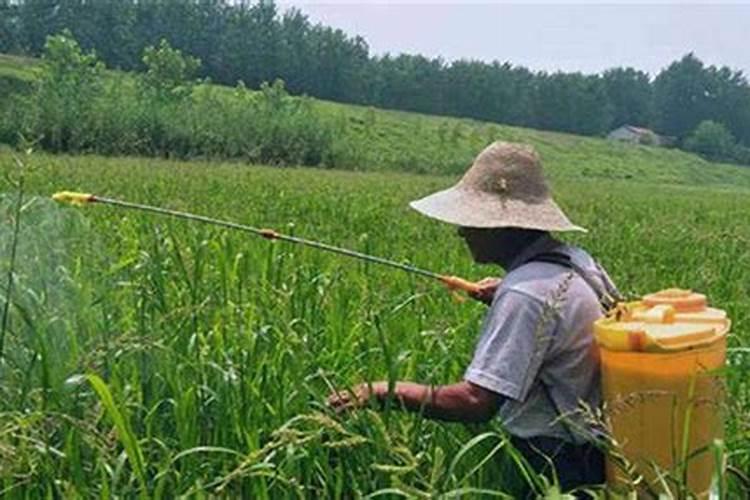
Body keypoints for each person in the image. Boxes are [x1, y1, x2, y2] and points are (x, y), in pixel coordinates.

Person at [327, 141, 620, 493]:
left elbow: (475, 402)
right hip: (599, 449)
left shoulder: (525, 293)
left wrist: (381, 391)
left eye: (471, 220)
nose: (461, 231)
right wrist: (510, 291)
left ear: (503, 226)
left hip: (555, 461)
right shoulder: (576, 261)